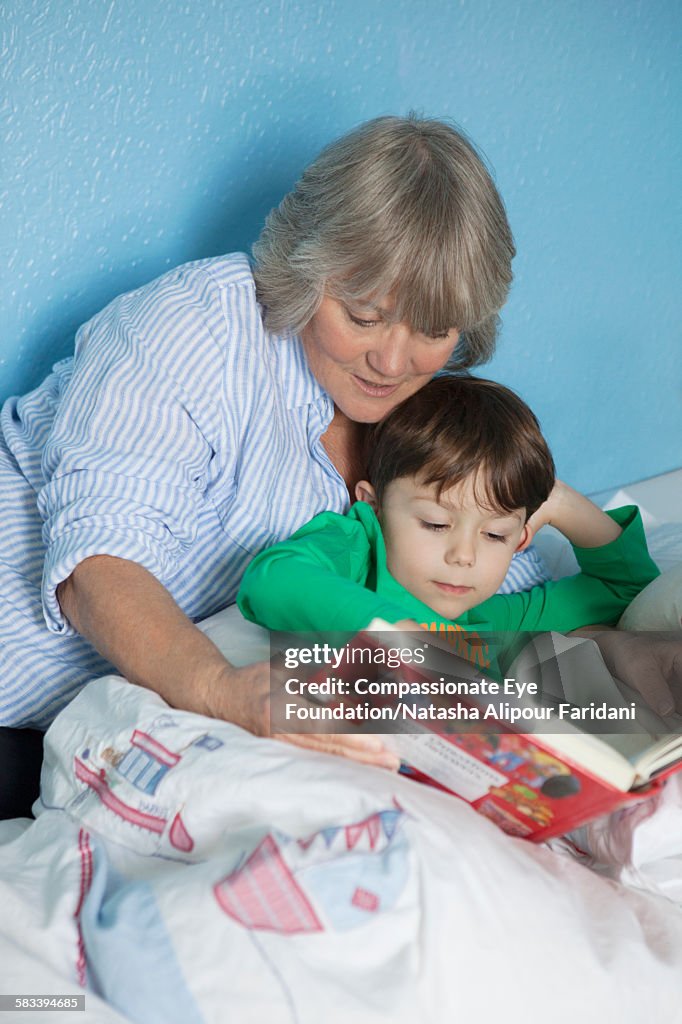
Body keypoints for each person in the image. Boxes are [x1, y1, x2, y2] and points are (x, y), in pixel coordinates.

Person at [1, 114, 546, 793]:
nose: (393, 361)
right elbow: (99, 566)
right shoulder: (191, 329)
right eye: (364, 316)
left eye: (434, 330)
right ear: (304, 267)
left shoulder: (426, 419)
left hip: (112, 735)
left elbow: (499, 580)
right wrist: (221, 690)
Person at [237, 375, 660, 672]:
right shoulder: (357, 553)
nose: (464, 556)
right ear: (374, 505)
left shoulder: (489, 625)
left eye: (494, 534)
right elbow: (272, 579)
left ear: (519, 540)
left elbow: (627, 588)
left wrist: (558, 499)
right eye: (436, 524)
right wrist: (395, 632)